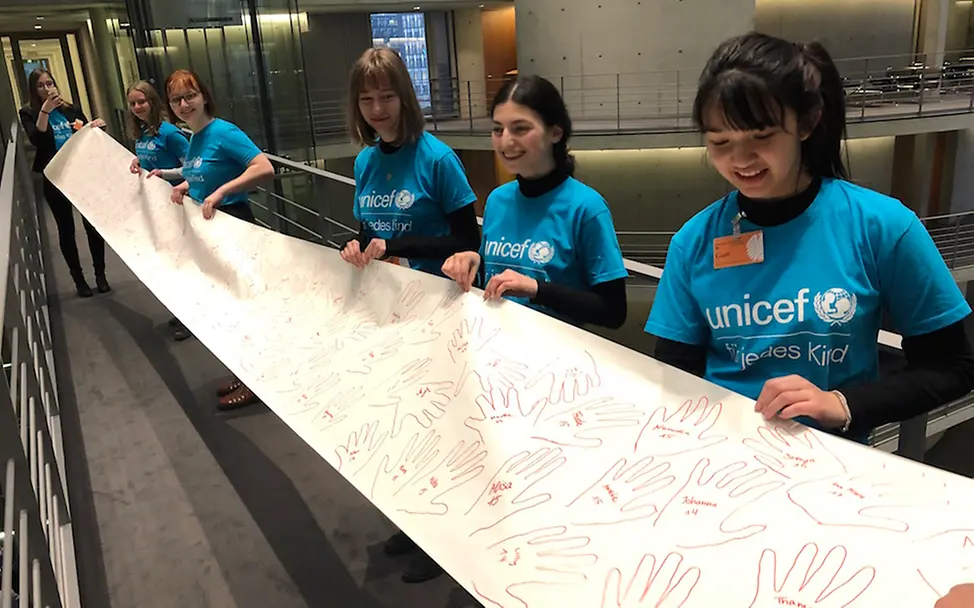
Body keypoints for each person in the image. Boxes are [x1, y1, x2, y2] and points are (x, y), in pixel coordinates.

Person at [644, 32, 974, 442]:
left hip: (829, 460)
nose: (740, 160)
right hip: (720, 452)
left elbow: (953, 365)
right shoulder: (693, 241)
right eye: (720, 142)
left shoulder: (882, 225)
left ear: (807, 122)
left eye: (761, 136)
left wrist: (844, 404)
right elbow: (676, 373)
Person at [340, 46, 480, 585]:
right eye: (367, 100)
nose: (377, 109)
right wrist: (356, 247)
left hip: (438, 313)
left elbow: (467, 240)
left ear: (405, 97)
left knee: (441, 428)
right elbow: (367, 231)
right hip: (387, 313)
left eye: (386, 97)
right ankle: (414, 523)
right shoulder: (365, 161)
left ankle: (447, 543)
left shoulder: (438, 159)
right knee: (400, 425)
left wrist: (395, 244)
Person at [442, 74, 628, 331]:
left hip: (554, 349)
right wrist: (475, 261)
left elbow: (613, 311)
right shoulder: (497, 200)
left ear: (555, 133)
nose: (506, 141)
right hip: (494, 341)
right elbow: (499, 273)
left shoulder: (586, 208)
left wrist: (537, 289)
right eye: (498, 129)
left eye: (520, 129)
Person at [160, 69, 274, 410]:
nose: (184, 104)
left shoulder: (223, 132)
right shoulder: (195, 137)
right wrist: (186, 186)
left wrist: (223, 191)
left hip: (234, 225)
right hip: (212, 233)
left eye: (190, 96)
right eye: (176, 100)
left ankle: (258, 382)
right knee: (228, 309)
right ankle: (245, 373)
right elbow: (202, 175)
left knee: (243, 307)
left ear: (204, 96)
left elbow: (263, 167)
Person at [19, 68, 110, 297]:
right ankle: (79, 279)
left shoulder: (71, 109)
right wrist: (45, 111)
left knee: (92, 225)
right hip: (54, 175)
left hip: (80, 173)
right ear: (34, 89)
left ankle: (100, 275)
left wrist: (97, 126)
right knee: (66, 228)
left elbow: (86, 133)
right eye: (41, 85)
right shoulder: (29, 113)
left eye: (49, 83)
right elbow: (38, 140)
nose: (47, 88)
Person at [124, 80, 193, 341]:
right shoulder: (143, 133)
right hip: (157, 207)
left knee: (183, 261)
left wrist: (165, 173)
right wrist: (138, 161)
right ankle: (182, 310)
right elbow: (150, 159)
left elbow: (192, 168)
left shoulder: (170, 133)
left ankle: (191, 318)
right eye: (133, 103)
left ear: (153, 102)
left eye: (142, 101)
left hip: (178, 204)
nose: (137, 107)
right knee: (170, 260)